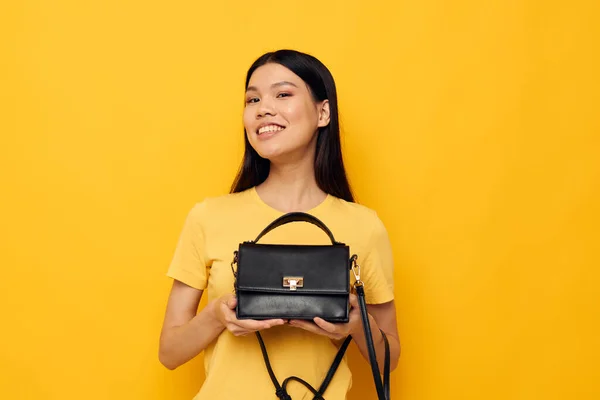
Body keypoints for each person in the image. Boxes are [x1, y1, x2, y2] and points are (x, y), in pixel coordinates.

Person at [159, 49, 400, 399]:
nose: (263, 108)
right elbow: (169, 352)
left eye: (283, 94)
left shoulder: (364, 226)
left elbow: (388, 361)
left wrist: (356, 326)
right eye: (252, 99)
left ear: (323, 112)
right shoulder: (207, 217)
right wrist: (217, 316)